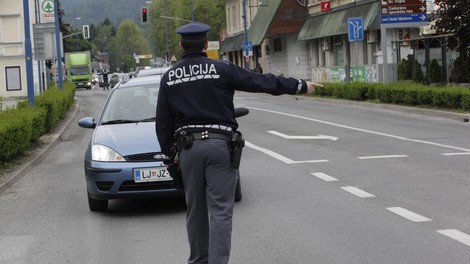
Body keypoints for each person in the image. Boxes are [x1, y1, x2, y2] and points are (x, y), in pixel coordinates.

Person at [155, 21, 321, 264]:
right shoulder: (222, 69)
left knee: (195, 212)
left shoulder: (169, 78)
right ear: (205, 45)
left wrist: (169, 159)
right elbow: (261, 82)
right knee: (221, 212)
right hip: (219, 147)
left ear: (181, 45)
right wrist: (299, 84)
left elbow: (163, 124)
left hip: (188, 149)